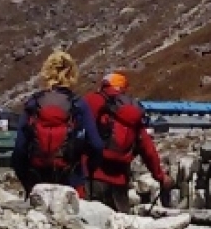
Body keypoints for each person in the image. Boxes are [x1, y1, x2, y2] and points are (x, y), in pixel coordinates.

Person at [12, 51, 105, 197]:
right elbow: (97, 145)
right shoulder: (79, 104)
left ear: (46, 72)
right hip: (72, 182)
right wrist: (88, 171)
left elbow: (19, 150)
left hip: (37, 183)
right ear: (72, 74)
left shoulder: (34, 103)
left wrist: (27, 182)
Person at [83, 71, 172, 213]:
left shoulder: (90, 101)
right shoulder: (131, 110)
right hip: (120, 181)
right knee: (120, 225)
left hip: (93, 176)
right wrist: (160, 176)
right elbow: (146, 147)